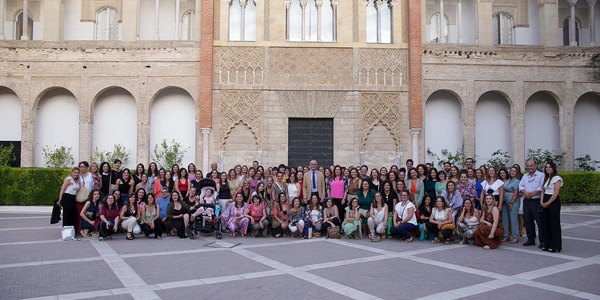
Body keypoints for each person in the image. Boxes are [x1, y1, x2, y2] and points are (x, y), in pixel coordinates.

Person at [519, 159, 545, 248]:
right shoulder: (525, 176)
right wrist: (525, 192)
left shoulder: (541, 175)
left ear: (535, 166)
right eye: (528, 166)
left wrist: (532, 194)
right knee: (528, 222)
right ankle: (531, 239)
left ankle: (543, 241)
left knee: (540, 222)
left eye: (531, 165)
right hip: (526, 201)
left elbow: (542, 187)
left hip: (536, 201)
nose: (529, 167)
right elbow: (520, 185)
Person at [541, 162, 563, 252]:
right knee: (545, 224)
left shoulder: (557, 178)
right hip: (545, 200)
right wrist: (541, 201)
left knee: (554, 223)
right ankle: (546, 244)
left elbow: (556, 192)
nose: (548, 169)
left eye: (550, 167)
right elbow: (543, 190)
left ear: (553, 168)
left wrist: (548, 203)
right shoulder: (546, 178)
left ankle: (555, 245)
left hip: (553, 202)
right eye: (546, 167)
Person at [502, 166, 521, 244]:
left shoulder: (517, 181)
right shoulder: (507, 180)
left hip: (513, 201)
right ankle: (506, 235)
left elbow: (516, 193)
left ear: (516, 173)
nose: (512, 172)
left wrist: (511, 203)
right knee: (505, 218)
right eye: (511, 171)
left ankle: (515, 236)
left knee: (513, 219)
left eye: (514, 171)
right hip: (504, 201)